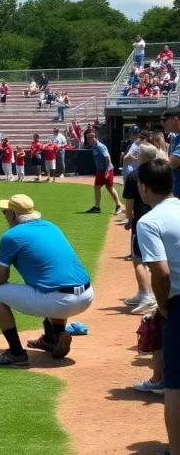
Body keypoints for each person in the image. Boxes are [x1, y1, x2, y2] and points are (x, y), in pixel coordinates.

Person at [0, 194, 93, 368]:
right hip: (87, 295)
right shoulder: (51, 226)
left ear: (12, 215)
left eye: (5, 212)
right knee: (49, 284)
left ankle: (16, 353)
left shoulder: (11, 236)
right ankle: (53, 336)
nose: (5, 215)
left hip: (60, 301)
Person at [136, 159, 180, 454]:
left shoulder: (149, 221)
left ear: (143, 187)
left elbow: (161, 273)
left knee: (175, 385)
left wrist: (162, 307)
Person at [123, 143, 165, 315]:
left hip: (141, 220)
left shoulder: (135, 175)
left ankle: (147, 296)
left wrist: (129, 219)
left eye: (138, 154)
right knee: (160, 257)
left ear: (143, 157)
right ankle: (143, 293)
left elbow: (129, 202)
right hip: (161, 218)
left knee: (138, 259)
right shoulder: (162, 172)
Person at [86, 133, 124, 215]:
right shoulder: (94, 147)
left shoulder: (100, 146)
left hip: (107, 170)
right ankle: (97, 207)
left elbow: (107, 158)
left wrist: (106, 171)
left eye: (91, 138)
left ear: (96, 138)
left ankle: (118, 205)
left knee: (109, 187)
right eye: (88, 138)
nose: (89, 140)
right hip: (100, 170)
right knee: (97, 187)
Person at [160, 107, 180, 198]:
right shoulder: (176, 136)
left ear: (176, 119)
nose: (163, 123)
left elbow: (173, 163)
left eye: (165, 120)